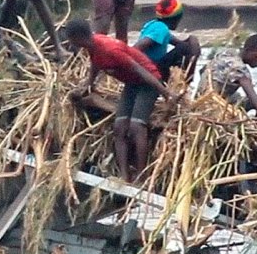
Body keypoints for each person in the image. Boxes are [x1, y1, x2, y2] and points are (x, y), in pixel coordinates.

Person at [64, 19, 176, 182]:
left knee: (136, 125)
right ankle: (124, 176)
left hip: (147, 81)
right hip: (131, 82)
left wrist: (165, 93)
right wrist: (89, 83)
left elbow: (140, 69)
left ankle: (140, 174)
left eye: (71, 39)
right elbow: (96, 63)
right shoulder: (92, 46)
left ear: (78, 37)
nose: (70, 43)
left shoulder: (110, 49)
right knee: (119, 127)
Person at [198, 34, 257, 117]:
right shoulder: (239, 69)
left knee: (237, 96)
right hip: (213, 106)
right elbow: (253, 98)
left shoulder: (227, 53)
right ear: (248, 50)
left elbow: (202, 70)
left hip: (201, 100)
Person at [133, 0, 202, 84]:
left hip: (148, 68)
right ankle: (188, 80)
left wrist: (193, 42)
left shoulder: (153, 24)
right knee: (187, 46)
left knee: (190, 42)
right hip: (152, 70)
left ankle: (187, 80)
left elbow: (178, 42)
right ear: (176, 18)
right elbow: (136, 48)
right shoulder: (161, 29)